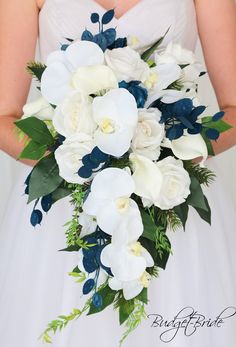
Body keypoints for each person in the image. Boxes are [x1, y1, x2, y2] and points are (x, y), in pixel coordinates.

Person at [0, 0, 235, 346]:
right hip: (66, 205)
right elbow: (5, 117)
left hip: (170, 194)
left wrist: (166, 151)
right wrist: (79, 161)